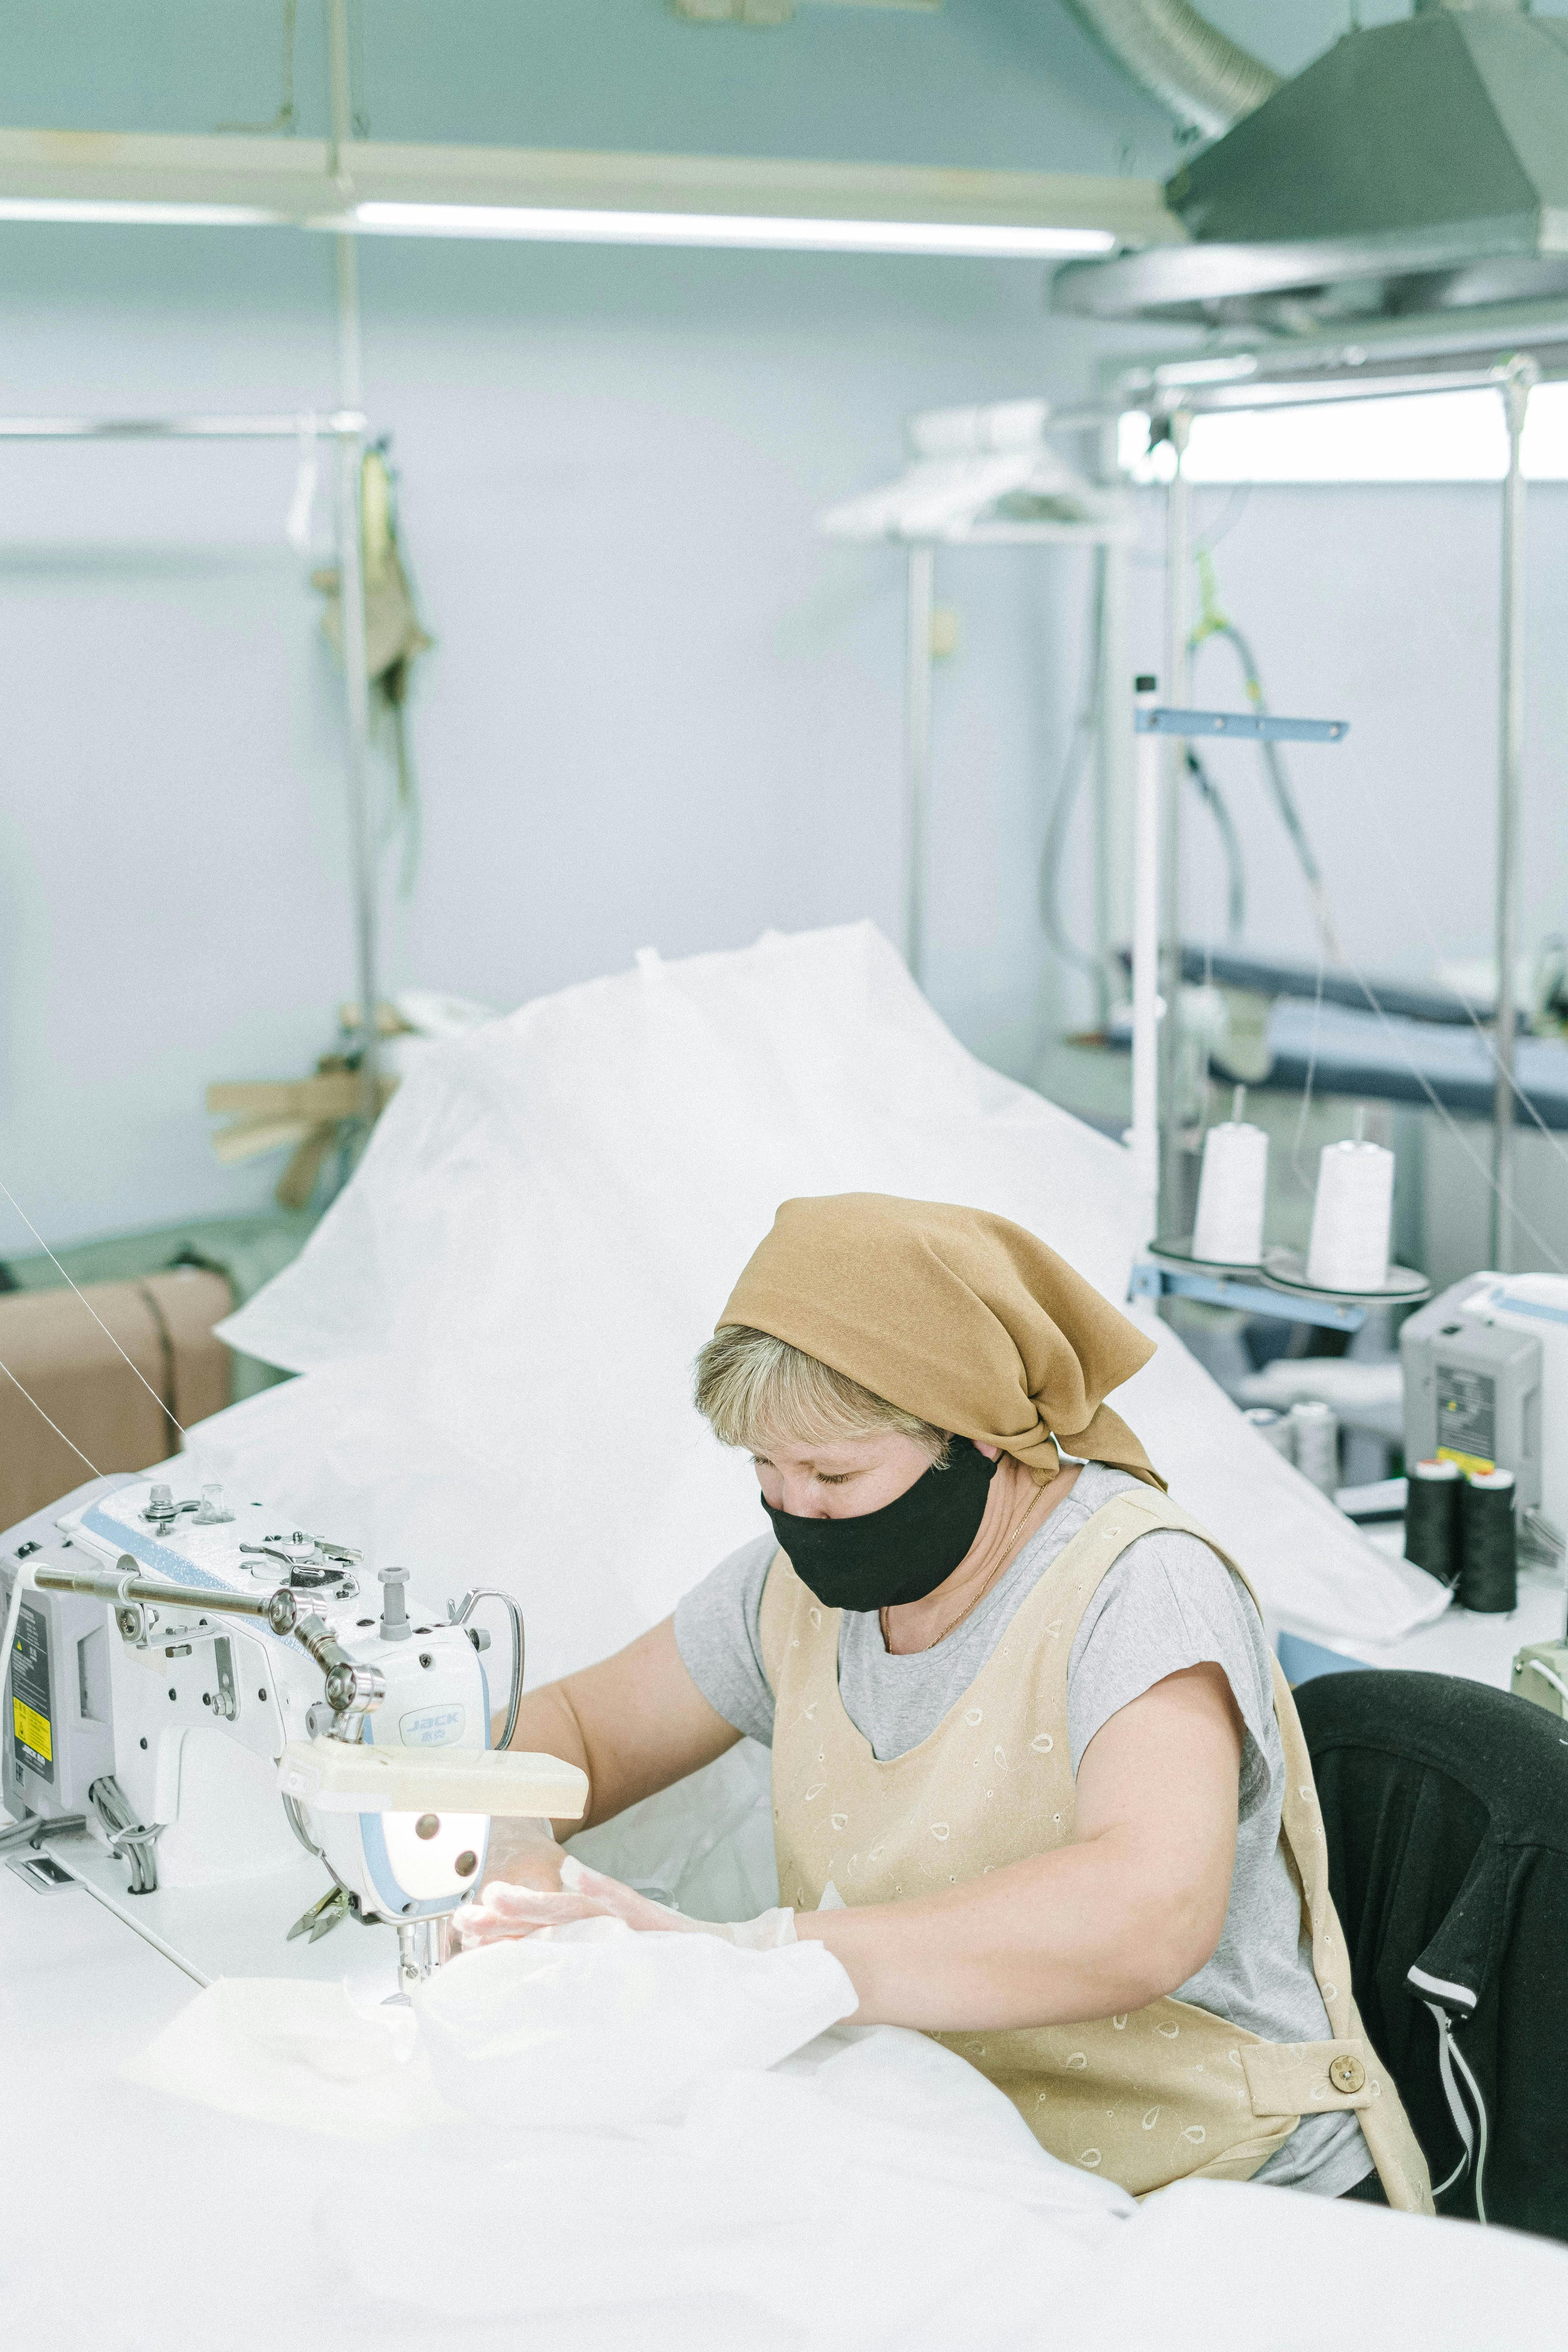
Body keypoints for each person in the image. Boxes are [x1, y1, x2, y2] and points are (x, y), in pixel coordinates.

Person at [461, 1193, 1431, 2210]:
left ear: (979, 1439)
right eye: (766, 1469)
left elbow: (1147, 1909)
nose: (797, 1510)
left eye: (834, 1472)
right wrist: (511, 1845)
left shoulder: (1139, 1586)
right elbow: (576, 1731)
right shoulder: (790, 1591)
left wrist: (761, 1960)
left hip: (1218, 2185)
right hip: (959, 2154)